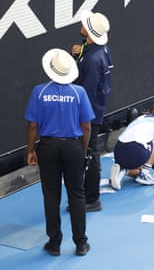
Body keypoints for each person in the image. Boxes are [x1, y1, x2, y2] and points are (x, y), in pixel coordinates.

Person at [24, 48, 95, 256]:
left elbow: (32, 126)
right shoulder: (78, 92)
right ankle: (81, 243)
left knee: (51, 195)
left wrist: (30, 150)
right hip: (73, 147)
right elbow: (87, 127)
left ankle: (54, 243)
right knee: (77, 193)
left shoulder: (39, 91)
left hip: (47, 148)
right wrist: (81, 150)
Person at [71, 10, 113, 212]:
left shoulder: (91, 61)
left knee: (89, 153)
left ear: (89, 31)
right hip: (96, 110)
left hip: (88, 115)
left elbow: (84, 93)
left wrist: (79, 119)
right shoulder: (97, 50)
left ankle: (91, 199)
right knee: (90, 152)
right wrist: (80, 54)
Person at [109, 96, 154, 190]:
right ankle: (144, 173)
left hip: (118, 152)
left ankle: (123, 169)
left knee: (137, 167)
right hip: (136, 152)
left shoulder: (141, 117)